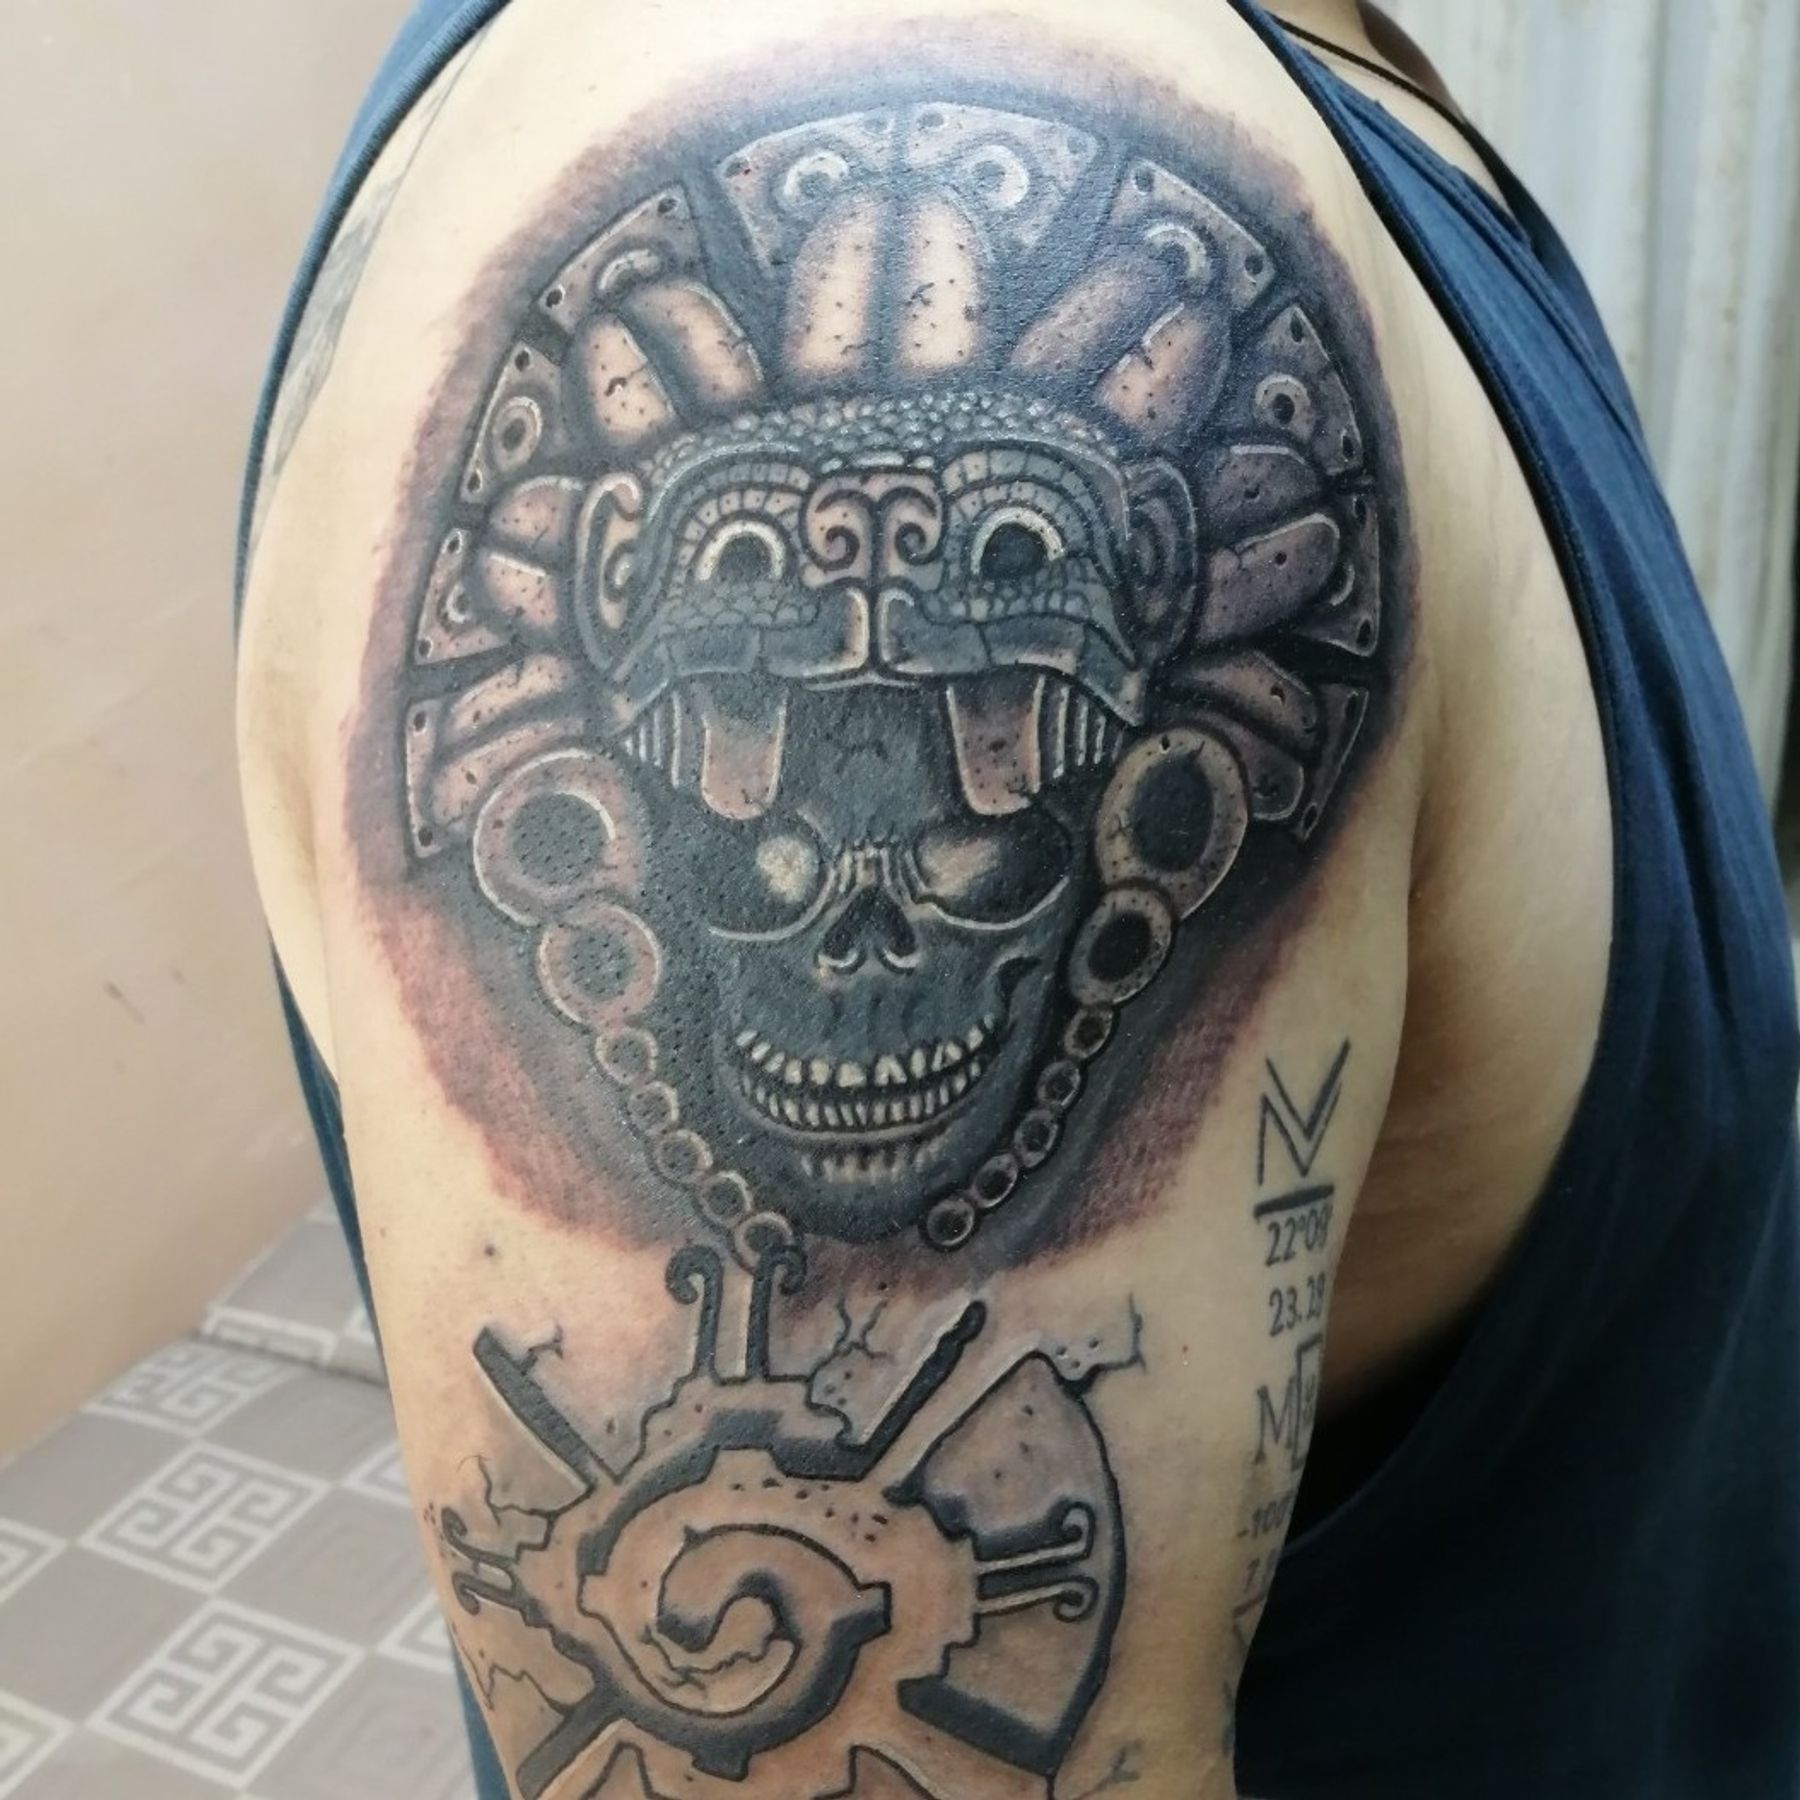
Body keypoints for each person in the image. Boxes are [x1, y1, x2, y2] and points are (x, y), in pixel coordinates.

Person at [234, 1, 1800, 1794]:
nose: (862, 929)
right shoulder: (922, 87)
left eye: (990, 747)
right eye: (757, 768)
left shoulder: (1315, 70)